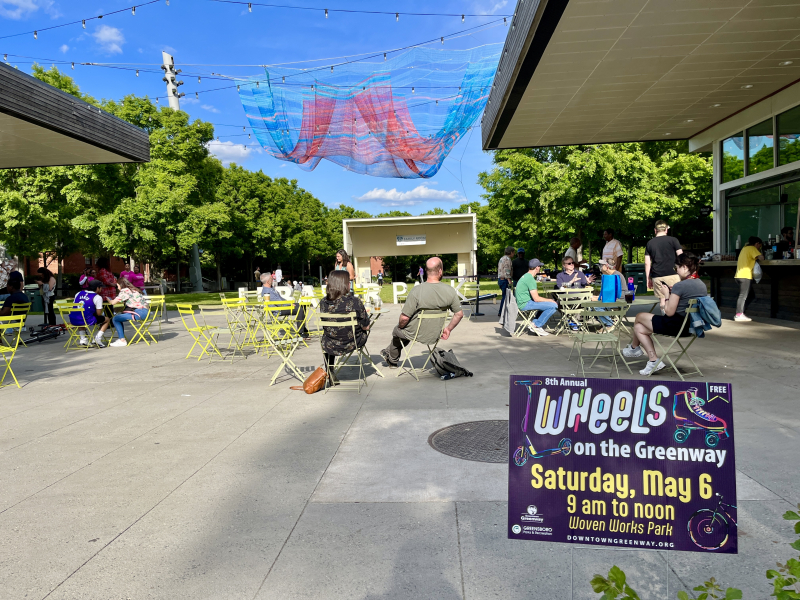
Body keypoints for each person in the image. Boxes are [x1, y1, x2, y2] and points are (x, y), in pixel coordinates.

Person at [622, 253, 707, 375]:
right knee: (639, 328)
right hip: (691, 326)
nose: (676, 271)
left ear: (685, 267)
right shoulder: (701, 285)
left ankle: (635, 348)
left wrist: (666, 294)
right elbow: (686, 296)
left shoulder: (680, 286)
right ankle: (653, 360)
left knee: (639, 316)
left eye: (676, 267)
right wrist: (674, 291)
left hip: (675, 325)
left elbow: (669, 312)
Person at [380, 257, 463, 367]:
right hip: (435, 334)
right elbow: (459, 314)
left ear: (426, 271)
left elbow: (404, 318)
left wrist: (401, 326)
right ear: (440, 271)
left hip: (416, 332)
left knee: (399, 330)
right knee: (407, 331)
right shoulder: (450, 291)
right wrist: (448, 329)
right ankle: (389, 354)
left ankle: (392, 358)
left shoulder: (417, 291)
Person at [319, 270, 372, 384]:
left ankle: (330, 370)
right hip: (352, 342)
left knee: (327, 337)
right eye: (349, 282)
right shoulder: (354, 301)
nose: (350, 284)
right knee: (365, 330)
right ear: (343, 284)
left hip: (330, 344)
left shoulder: (323, 302)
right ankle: (330, 371)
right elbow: (365, 326)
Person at [645, 220, 684, 312]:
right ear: (666, 230)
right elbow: (681, 256)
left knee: (662, 299)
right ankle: (675, 321)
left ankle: (665, 319)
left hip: (657, 275)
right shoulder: (673, 240)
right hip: (673, 274)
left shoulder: (650, 243)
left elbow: (647, 262)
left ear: (655, 230)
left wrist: (648, 278)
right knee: (675, 298)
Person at [514, 259, 558, 336]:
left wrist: (546, 301)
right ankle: (536, 325)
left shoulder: (526, 276)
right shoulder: (530, 279)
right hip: (525, 304)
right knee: (553, 306)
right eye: (540, 266)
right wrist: (550, 300)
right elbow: (536, 299)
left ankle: (534, 323)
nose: (540, 268)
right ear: (537, 267)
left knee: (545, 304)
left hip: (523, 302)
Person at [258, 272, 308, 337]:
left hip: (281, 306)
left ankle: (303, 328)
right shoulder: (267, 291)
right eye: (271, 279)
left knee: (301, 305)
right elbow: (278, 303)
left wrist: (289, 303)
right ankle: (301, 333)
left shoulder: (271, 289)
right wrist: (289, 304)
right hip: (278, 310)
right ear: (268, 281)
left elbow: (281, 299)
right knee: (299, 309)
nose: (273, 280)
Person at [106, 278, 150, 347]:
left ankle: (122, 340)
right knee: (120, 316)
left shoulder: (124, 291)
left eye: (117, 285)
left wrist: (108, 299)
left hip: (138, 313)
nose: (117, 287)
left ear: (120, 285)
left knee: (115, 319)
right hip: (146, 313)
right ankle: (121, 339)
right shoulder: (134, 289)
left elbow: (113, 303)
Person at [70, 279, 110, 347]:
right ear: (97, 288)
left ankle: (83, 339)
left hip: (73, 319)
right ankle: (97, 339)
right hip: (87, 320)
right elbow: (99, 314)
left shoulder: (78, 293)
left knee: (81, 315)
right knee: (107, 319)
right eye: (101, 287)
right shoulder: (97, 297)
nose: (101, 289)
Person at [733, 236, 764, 322]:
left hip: (739, 275)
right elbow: (762, 258)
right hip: (745, 275)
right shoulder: (752, 248)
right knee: (743, 296)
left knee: (750, 295)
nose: (759, 248)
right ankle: (738, 314)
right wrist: (759, 254)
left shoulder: (744, 248)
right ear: (757, 243)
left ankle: (741, 312)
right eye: (760, 246)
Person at [497, 246, 515, 318]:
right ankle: (502, 312)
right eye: (513, 252)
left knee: (505, 296)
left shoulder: (501, 258)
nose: (514, 254)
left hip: (500, 279)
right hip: (504, 280)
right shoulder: (507, 259)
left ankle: (503, 311)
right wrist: (509, 280)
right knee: (505, 296)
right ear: (511, 252)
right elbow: (507, 270)